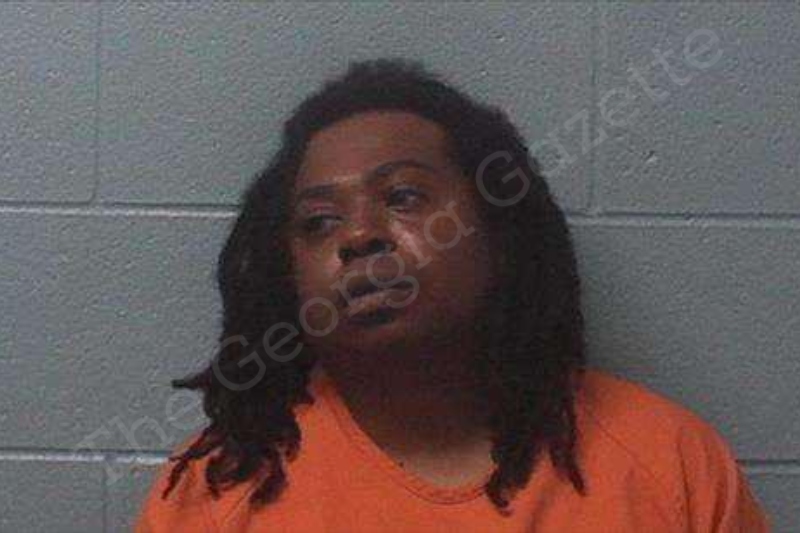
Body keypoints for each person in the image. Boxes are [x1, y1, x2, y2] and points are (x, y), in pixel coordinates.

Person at [135, 58, 770, 532]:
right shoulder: (221, 491)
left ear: (499, 231)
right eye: (319, 222)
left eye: (403, 197)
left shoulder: (669, 464)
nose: (357, 236)